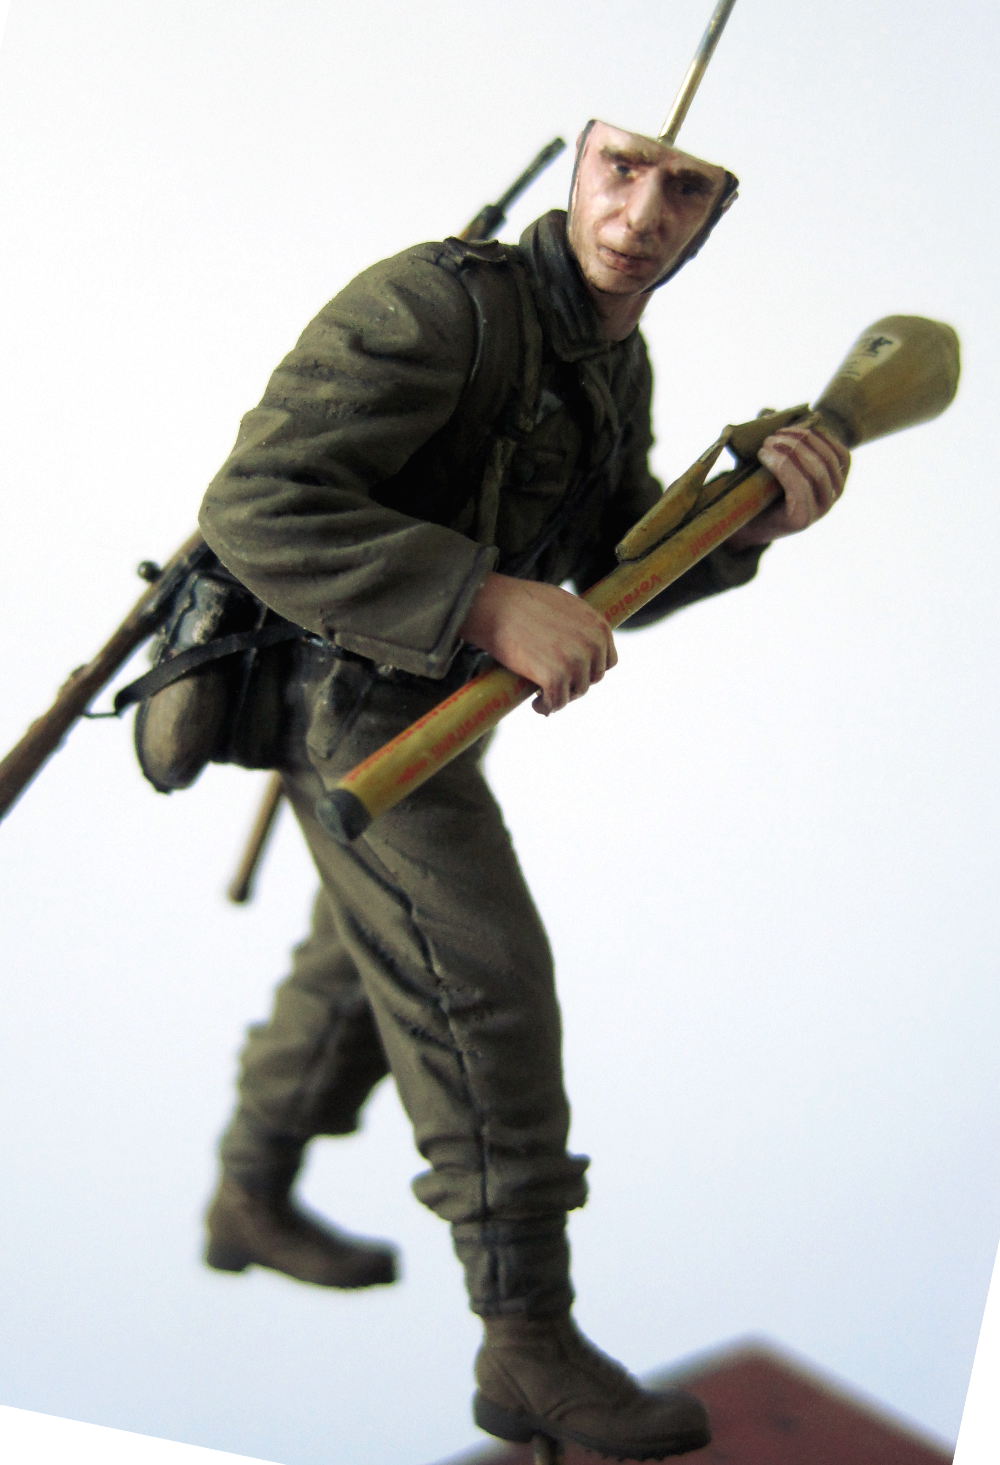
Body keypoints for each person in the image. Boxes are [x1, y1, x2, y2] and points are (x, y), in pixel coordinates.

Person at [197, 120, 849, 1460]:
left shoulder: (610, 352)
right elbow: (255, 505)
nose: (645, 210)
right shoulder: (437, 308)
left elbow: (606, 561)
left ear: (716, 211)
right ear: (581, 163)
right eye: (626, 165)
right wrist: (483, 599)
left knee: (362, 970)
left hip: (439, 710)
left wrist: (750, 522)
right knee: (480, 982)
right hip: (350, 712)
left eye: (687, 186)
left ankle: (247, 1193)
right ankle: (526, 1337)